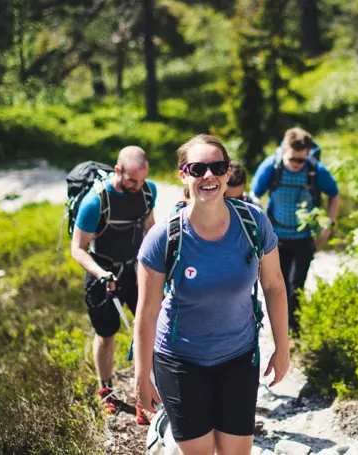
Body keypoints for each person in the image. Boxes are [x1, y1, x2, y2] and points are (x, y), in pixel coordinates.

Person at [134, 134, 291, 455]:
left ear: (226, 173)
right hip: (180, 362)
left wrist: (283, 348)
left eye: (217, 167)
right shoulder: (163, 237)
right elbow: (146, 313)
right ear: (183, 175)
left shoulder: (253, 222)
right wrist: (141, 376)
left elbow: (274, 285)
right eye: (197, 169)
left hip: (238, 356)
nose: (209, 176)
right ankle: (165, 432)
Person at [70, 146, 157, 422]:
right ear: (117, 170)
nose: (137, 185)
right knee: (107, 334)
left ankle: (149, 391)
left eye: (142, 179)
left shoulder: (147, 191)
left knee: (151, 327)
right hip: (102, 272)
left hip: (135, 269)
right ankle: (106, 390)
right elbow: (78, 248)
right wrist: (101, 274)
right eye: (132, 180)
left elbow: (149, 229)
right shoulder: (95, 201)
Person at [251, 127, 341, 332]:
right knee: (277, 285)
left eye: (300, 160)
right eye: (292, 159)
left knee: (296, 285)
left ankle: (293, 331)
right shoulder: (271, 168)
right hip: (276, 238)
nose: (296, 164)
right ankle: (278, 327)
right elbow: (255, 194)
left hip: (304, 237)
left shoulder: (315, 170)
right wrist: (260, 226)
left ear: (308, 153)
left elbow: (334, 195)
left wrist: (328, 224)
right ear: (284, 149)